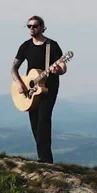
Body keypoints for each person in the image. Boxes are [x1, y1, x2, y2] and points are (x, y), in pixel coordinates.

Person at [11, 15, 67, 163]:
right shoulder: (25, 46)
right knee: (34, 123)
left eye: (35, 26)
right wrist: (19, 83)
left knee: (43, 120)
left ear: (42, 27)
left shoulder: (52, 45)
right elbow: (14, 68)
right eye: (29, 26)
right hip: (30, 89)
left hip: (49, 88)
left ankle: (46, 159)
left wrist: (58, 71)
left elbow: (62, 66)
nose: (32, 28)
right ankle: (42, 156)